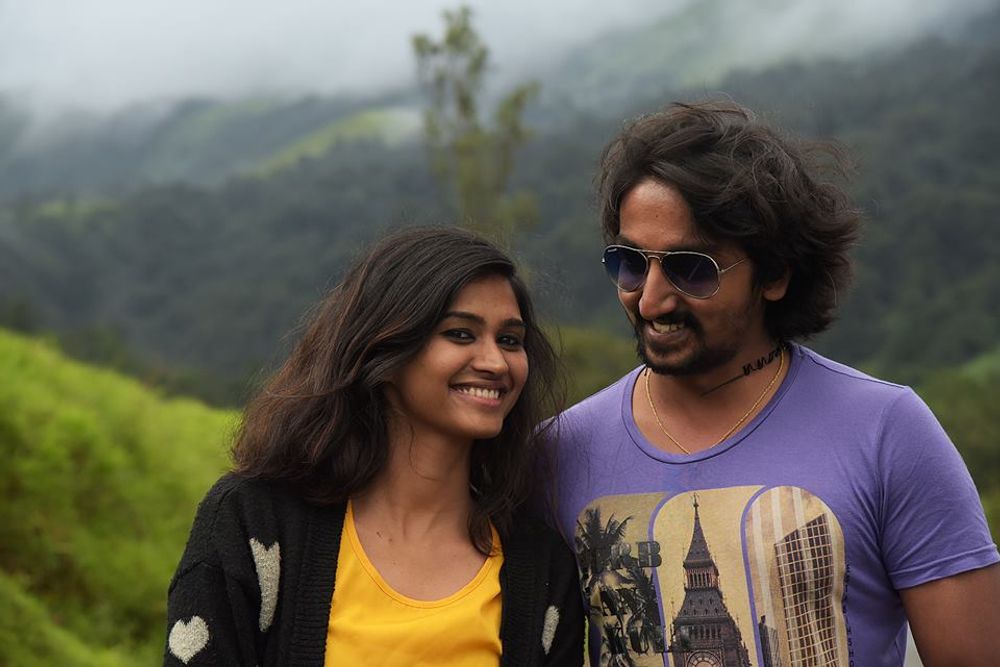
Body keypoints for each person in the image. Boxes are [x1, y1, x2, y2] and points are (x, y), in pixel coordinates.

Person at [543, 101, 1000, 666]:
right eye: (630, 263)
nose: (652, 300)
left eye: (691, 268)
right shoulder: (557, 453)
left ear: (775, 274)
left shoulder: (887, 433)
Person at [165, 227, 584, 666]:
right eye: (461, 334)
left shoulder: (541, 569)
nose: (495, 362)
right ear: (384, 347)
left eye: (510, 340)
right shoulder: (257, 523)